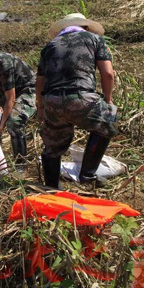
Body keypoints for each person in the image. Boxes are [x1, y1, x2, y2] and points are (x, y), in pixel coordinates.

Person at [36, 13, 118, 189]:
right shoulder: (94, 39)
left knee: (52, 147)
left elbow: (40, 81)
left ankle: (51, 188)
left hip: (52, 100)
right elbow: (108, 73)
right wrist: (108, 100)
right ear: (85, 27)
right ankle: (87, 175)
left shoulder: (49, 46)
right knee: (107, 122)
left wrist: (41, 107)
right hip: (82, 97)